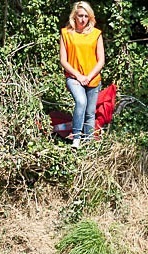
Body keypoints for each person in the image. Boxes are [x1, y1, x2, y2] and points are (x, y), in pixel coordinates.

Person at [59, 1, 105, 149]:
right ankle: (76, 138)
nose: (83, 19)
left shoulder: (96, 34)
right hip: (74, 78)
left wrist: (89, 76)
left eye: (86, 16)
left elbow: (101, 60)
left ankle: (89, 143)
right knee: (81, 102)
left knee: (90, 113)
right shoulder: (66, 33)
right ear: (74, 16)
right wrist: (79, 76)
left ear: (90, 17)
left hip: (92, 78)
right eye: (80, 15)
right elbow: (63, 61)